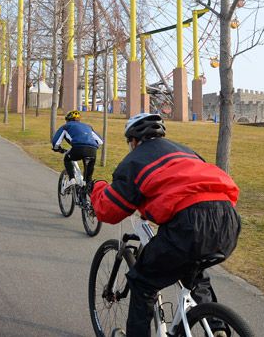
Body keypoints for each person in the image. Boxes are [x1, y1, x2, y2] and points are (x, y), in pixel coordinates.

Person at [89, 113, 240, 337]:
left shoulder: (134, 160)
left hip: (188, 224)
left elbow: (108, 210)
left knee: (142, 284)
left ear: (133, 140)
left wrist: (97, 187)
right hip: (228, 219)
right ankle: (218, 330)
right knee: (195, 271)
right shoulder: (187, 152)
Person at [51, 110, 103, 188]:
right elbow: (100, 141)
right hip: (92, 150)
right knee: (88, 179)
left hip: (78, 149)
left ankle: (72, 179)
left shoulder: (66, 126)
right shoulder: (88, 127)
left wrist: (58, 149)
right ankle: (87, 192)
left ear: (67, 120)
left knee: (67, 159)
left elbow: (56, 142)